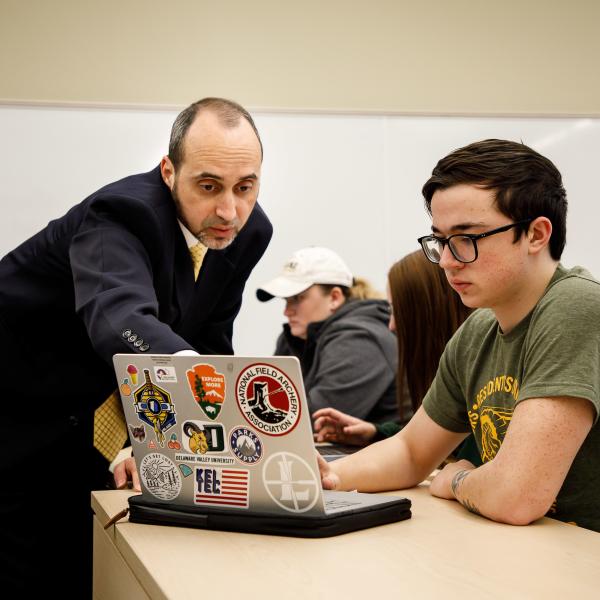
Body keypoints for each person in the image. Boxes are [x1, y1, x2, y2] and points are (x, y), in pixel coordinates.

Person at [0, 97, 272, 594]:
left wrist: (250, 443)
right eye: (208, 186)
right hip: (21, 412)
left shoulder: (248, 231)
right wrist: (194, 385)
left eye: (245, 187)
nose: (229, 210)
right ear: (169, 171)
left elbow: (209, 337)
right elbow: (118, 317)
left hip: (100, 414)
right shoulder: (121, 212)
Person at [318, 139, 600, 532]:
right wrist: (322, 476)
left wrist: (454, 480)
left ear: (536, 234)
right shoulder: (478, 329)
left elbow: (516, 496)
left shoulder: (576, 304)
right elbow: (411, 451)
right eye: (441, 240)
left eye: (467, 238)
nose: (447, 261)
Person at [313, 250, 473, 448]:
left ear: (428, 312)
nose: (392, 325)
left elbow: (468, 451)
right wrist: (377, 433)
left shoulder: (360, 338)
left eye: (398, 310)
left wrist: (461, 477)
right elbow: (437, 438)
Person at [256, 246, 400, 424]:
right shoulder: (293, 338)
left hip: (377, 450)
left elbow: (310, 422)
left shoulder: (360, 340)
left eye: (297, 298)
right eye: (286, 300)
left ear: (334, 297)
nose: (287, 311)